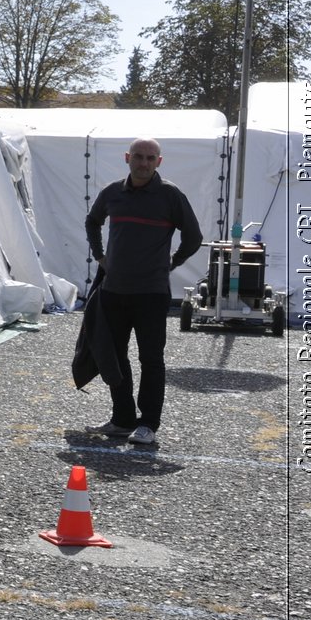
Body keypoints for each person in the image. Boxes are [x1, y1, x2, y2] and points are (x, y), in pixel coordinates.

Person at [83, 137, 203, 445]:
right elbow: (93, 221)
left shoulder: (169, 195)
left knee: (151, 359)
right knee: (114, 356)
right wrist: (99, 255)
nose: (144, 162)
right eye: (138, 156)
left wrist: (172, 263)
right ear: (127, 158)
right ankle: (122, 419)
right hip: (114, 291)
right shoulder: (112, 193)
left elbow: (193, 235)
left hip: (151, 293)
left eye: (150, 158)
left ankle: (148, 424)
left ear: (159, 162)